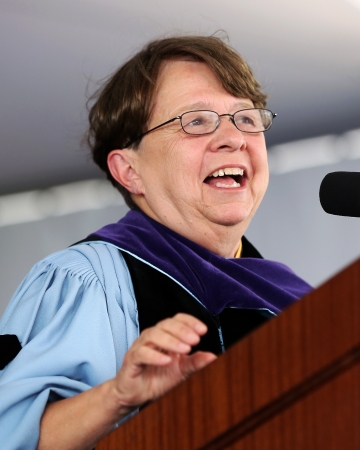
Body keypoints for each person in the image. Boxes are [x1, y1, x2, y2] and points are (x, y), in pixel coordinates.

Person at [0, 35, 312, 450]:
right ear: (130, 171)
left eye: (246, 119)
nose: (234, 138)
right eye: (196, 121)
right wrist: (117, 397)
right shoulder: (88, 280)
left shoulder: (296, 300)